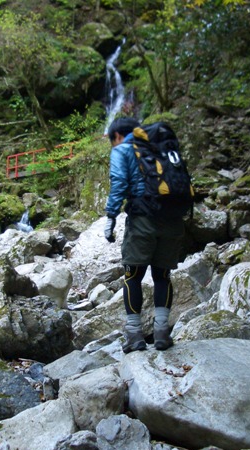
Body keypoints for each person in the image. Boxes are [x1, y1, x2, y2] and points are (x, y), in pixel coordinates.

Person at [103, 117, 185, 353]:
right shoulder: (161, 147)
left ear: (117, 136)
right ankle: (161, 333)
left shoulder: (123, 149)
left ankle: (134, 335)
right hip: (172, 218)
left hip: (143, 218)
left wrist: (111, 217)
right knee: (162, 276)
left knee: (133, 276)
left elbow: (119, 182)